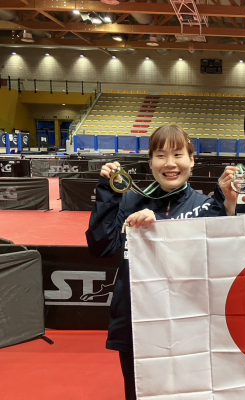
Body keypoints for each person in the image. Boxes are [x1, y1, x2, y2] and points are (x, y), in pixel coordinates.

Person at [85, 124, 217, 400]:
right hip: (136, 326)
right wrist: (108, 192)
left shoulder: (206, 207)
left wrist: (163, 229)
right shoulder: (129, 201)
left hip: (189, 327)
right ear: (150, 162)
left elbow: (216, 265)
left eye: (178, 154)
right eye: (160, 155)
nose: (170, 163)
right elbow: (102, 246)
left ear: (192, 160)